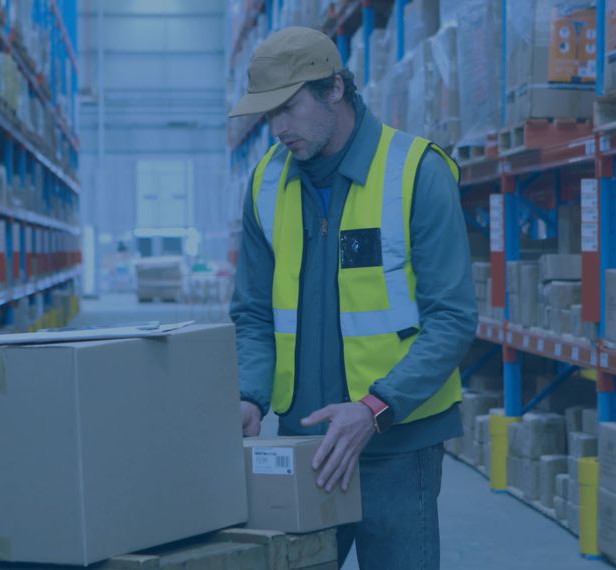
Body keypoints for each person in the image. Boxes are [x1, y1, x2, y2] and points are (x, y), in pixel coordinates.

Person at [228, 26, 477, 570]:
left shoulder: (417, 173)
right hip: (303, 446)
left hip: (396, 444)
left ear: (335, 89)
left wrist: (374, 409)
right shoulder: (266, 184)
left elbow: (452, 320)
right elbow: (253, 313)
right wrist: (250, 395)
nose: (278, 129)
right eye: (268, 115)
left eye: (289, 108)